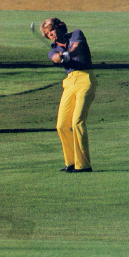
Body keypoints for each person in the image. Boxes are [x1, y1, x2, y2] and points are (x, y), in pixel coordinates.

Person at [42, 17, 96, 173]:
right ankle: (71, 162)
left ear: (59, 27)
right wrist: (58, 57)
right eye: (47, 33)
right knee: (62, 125)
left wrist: (67, 54)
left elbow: (77, 49)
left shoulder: (76, 34)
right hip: (69, 82)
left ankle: (83, 165)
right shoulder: (53, 49)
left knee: (77, 121)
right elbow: (54, 57)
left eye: (51, 30)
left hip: (85, 79)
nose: (50, 34)